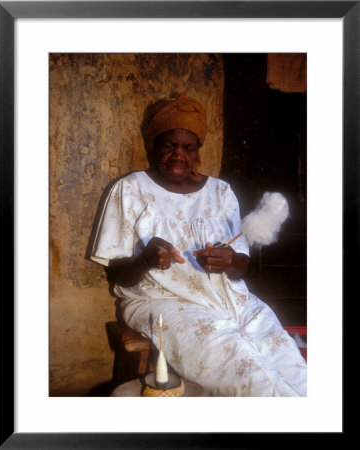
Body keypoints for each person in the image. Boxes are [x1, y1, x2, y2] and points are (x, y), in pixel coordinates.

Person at [89, 92, 307, 396]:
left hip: (233, 300)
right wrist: (146, 260)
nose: (179, 155)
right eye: (169, 145)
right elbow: (118, 277)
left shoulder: (220, 192)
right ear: (152, 146)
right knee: (251, 374)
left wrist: (230, 261)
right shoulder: (129, 190)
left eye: (188, 148)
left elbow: (242, 266)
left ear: (198, 152)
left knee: (293, 368)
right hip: (163, 304)